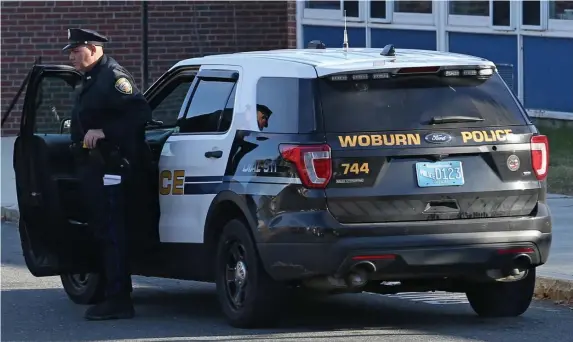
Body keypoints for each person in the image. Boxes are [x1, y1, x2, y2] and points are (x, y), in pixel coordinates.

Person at [63, 28, 152, 320]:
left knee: (113, 232)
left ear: (92, 47)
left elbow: (140, 113)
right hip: (95, 168)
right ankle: (109, 291)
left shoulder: (113, 77)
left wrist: (105, 132)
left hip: (113, 168)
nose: (72, 56)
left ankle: (119, 299)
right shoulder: (91, 79)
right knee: (102, 230)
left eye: (76, 50)